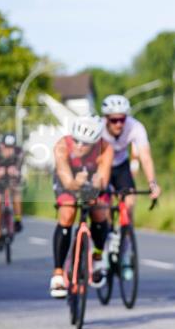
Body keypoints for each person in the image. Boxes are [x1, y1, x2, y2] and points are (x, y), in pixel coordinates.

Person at [49, 116, 113, 298]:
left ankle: (98, 256)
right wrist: (76, 183)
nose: (79, 146)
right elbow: (67, 181)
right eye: (76, 140)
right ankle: (58, 273)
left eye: (86, 143)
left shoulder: (105, 148)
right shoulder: (62, 145)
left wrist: (96, 184)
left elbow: (103, 179)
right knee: (68, 212)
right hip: (67, 180)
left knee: (100, 211)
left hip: (91, 182)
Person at [99, 95, 162, 211]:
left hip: (121, 166)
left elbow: (146, 157)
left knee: (129, 202)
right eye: (114, 120)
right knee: (103, 205)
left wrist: (152, 183)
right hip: (102, 166)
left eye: (122, 119)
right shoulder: (98, 127)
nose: (118, 124)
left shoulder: (135, 127)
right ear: (106, 118)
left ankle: (127, 227)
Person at [0, 133, 24, 251]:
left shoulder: (19, 152)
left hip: (12, 178)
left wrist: (15, 172)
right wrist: (0, 171)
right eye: (6, 147)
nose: (9, 150)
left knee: (17, 195)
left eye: (11, 148)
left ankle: (18, 219)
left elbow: (18, 170)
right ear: (2, 146)